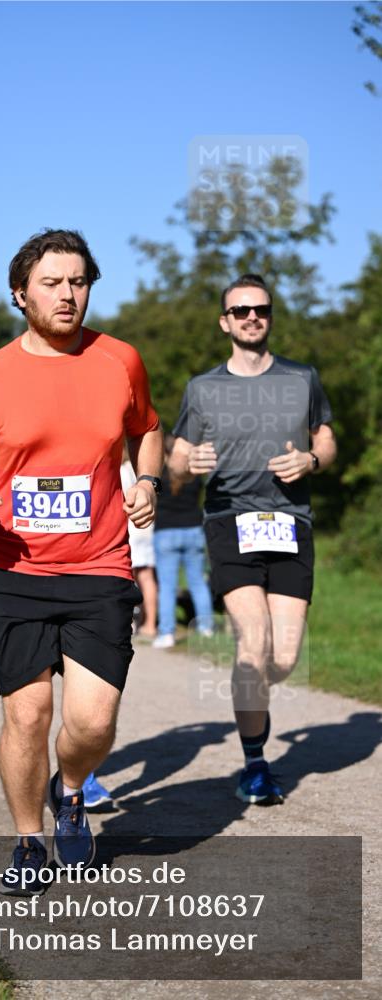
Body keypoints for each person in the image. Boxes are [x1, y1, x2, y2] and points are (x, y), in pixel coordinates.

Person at [0, 229, 162, 893]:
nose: (67, 294)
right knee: (26, 714)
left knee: (91, 723)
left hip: (100, 568)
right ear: (19, 295)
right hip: (10, 572)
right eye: (52, 283)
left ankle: (74, 789)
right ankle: (28, 839)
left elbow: (147, 430)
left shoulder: (119, 360)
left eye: (78, 281)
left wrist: (147, 482)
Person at [170, 273, 336, 805]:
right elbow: (175, 462)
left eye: (259, 309)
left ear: (270, 315)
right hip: (228, 521)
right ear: (225, 322)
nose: (250, 317)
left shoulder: (302, 378)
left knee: (283, 658)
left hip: (292, 522)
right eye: (239, 310)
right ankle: (255, 763)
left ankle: (254, 706)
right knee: (254, 642)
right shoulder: (203, 388)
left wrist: (311, 460)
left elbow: (326, 440)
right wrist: (187, 465)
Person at [152, 434, 214, 648]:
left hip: (165, 533)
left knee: (167, 586)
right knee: (197, 582)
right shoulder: (194, 475)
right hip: (193, 530)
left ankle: (166, 633)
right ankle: (206, 627)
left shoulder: (157, 476)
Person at [120, 454, 157, 640]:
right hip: (146, 528)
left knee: (128, 577)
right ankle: (150, 623)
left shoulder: (119, 471)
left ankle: (131, 621)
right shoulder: (138, 472)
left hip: (130, 529)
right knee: (147, 576)